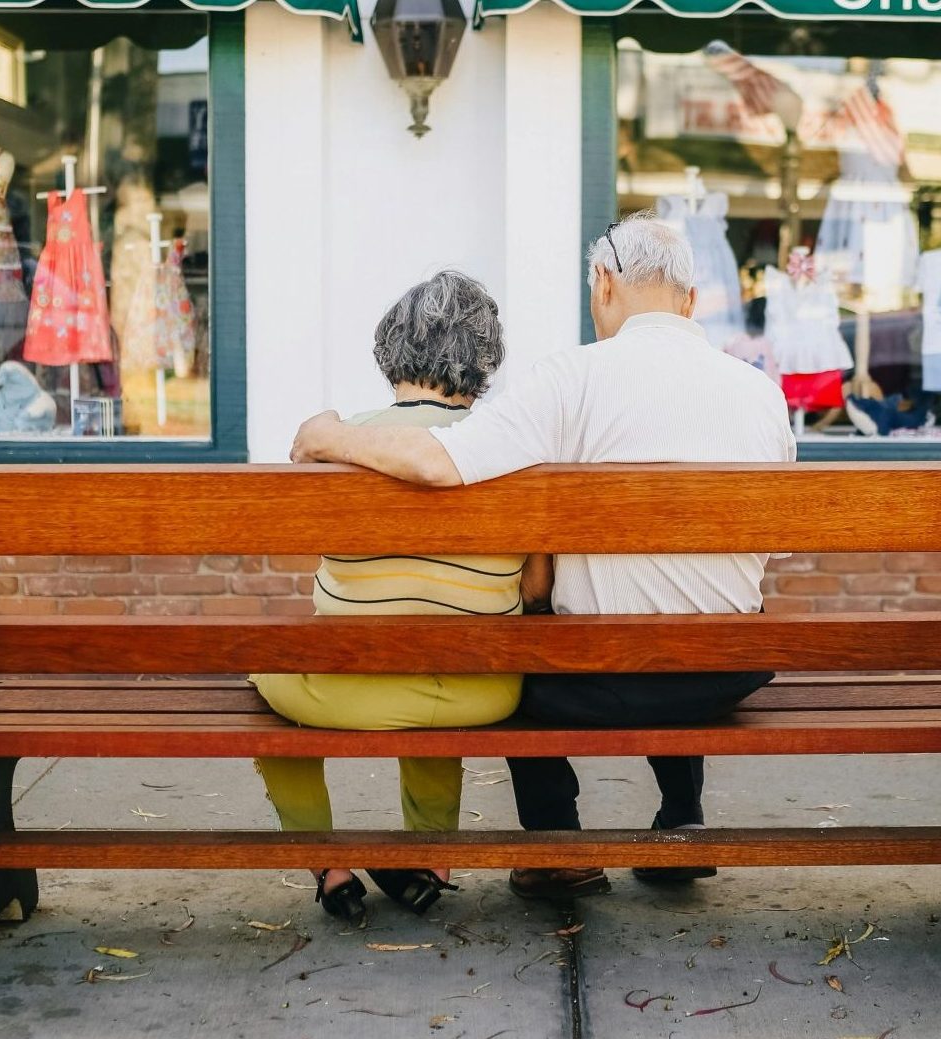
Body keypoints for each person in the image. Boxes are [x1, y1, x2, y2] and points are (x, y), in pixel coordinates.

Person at [291, 213, 796, 901]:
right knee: (689, 608)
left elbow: (439, 463)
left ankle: (556, 847)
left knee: (521, 649)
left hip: (600, 677)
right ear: (689, 301)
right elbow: (774, 548)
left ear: (603, 282)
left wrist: (328, 436)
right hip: (725, 672)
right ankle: (681, 818)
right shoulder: (761, 393)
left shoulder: (569, 379)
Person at [255, 270, 536, 923]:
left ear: (390, 348)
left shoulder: (343, 440)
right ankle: (430, 856)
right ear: (485, 355)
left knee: (265, 670)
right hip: (481, 693)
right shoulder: (511, 446)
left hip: (342, 690)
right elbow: (536, 584)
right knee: (436, 647)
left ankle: (327, 865)